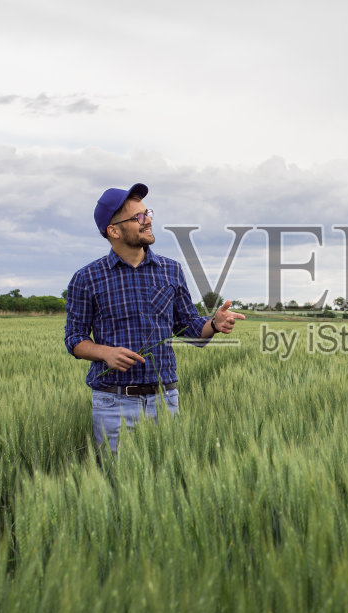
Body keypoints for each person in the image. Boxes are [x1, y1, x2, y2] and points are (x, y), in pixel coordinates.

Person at [66, 182, 245, 453]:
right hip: (113, 405)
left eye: (147, 213)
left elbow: (187, 326)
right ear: (113, 231)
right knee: (116, 478)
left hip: (165, 400)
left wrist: (213, 324)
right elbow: (74, 338)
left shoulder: (171, 270)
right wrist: (105, 353)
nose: (147, 220)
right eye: (138, 217)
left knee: (167, 475)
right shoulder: (87, 278)